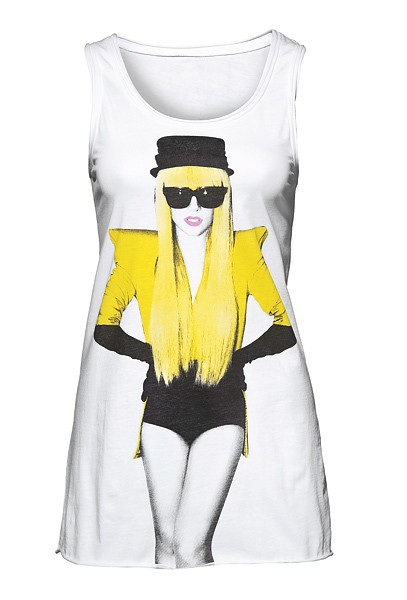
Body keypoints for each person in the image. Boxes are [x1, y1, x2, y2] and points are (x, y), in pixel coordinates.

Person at [93, 135, 297, 568]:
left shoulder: (242, 252)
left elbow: (284, 327)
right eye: (178, 195)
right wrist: (154, 354)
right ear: (161, 196)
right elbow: (104, 328)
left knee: (190, 545)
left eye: (208, 196)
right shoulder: (137, 251)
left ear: (223, 196)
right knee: (168, 544)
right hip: (162, 406)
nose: (193, 208)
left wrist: (236, 358)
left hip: (221, 408)